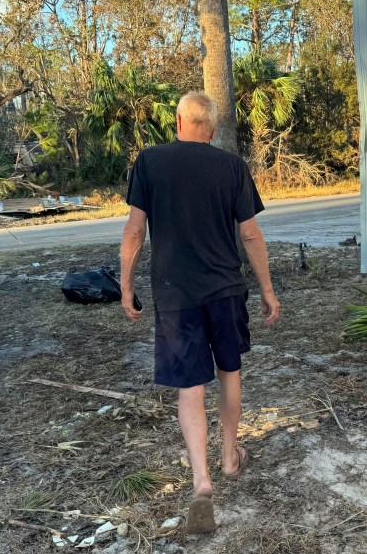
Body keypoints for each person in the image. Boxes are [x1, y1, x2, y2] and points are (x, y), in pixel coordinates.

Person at [119, 91, 280, 534]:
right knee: (230, 372)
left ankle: (201, 479)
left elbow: (135, 229)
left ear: (178, 121)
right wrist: (267, 289)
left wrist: (126, 285)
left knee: (190, 389)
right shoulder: (231, 166)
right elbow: (250, 236)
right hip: (226, 290)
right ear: (210, 128)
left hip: (175, 295)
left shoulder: (149, 162)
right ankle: (230, 456)